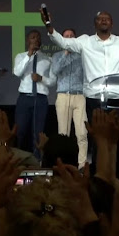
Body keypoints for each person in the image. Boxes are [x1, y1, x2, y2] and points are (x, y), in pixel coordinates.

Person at [13, 30, 55, 158]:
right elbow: (17, 72)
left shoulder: (48, 59)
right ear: (27, 41)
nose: (36, 39)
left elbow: (53, 81)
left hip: (41, 99)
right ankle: (17, 159)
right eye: (32, 37)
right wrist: (29, 56)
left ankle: (37, 161)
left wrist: (41, 78)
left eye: (38, 37)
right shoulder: (20, 56)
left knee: (38, 133)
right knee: (19, 131)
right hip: (24, 98)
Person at [51, 28, 87, 166]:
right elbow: (55, 71)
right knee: (63, 134)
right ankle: (63, 164)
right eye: (66, 36)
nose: (69, 38)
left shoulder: (82, 55)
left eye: (72, 36)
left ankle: (82, 165)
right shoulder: (57, 56)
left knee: (82, 134)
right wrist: (66, 53)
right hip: (63, 96)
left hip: (79, 96)